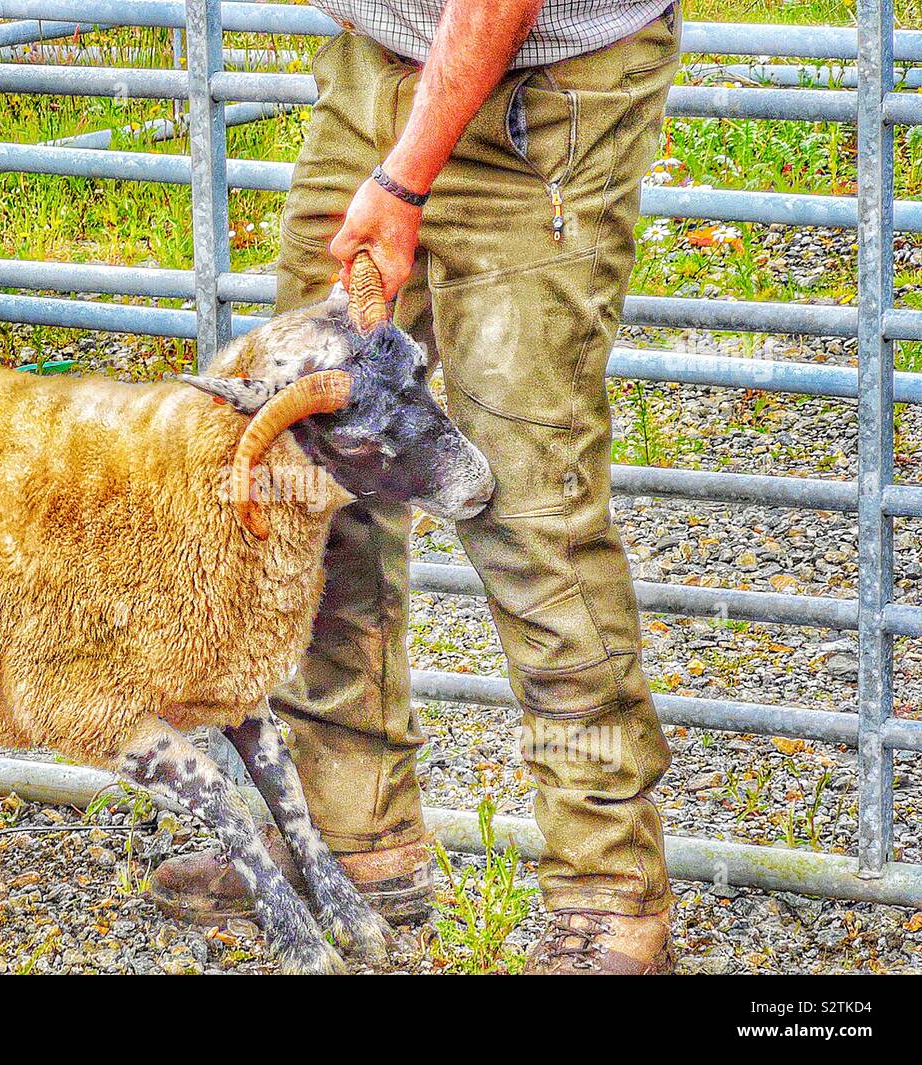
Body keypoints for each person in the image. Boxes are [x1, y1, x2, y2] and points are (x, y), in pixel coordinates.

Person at [150, 0, 682, 974]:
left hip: (543, 91)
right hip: (380, 63)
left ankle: (607, 894)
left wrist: (403, 179)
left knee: (528, 506)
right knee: (315, 473)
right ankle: (355, 842)